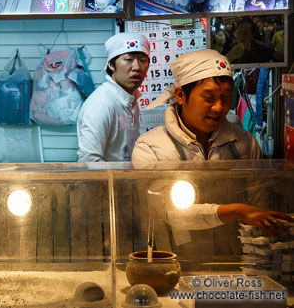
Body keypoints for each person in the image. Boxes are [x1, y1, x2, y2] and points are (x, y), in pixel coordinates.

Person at [132, 49, 293, 238]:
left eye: (225, 98)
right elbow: (169, 212)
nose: (218, 107)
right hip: (176, 258)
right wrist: (236, 211)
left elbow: (259, 206)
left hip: (238, 257)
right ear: (181, 95)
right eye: (208, 98)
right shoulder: (150, 148)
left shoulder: (244, 142)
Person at [77, 33, 150, 162]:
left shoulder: (130, 98)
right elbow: (88, 161)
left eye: (142, 60)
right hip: (108, 181)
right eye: (128, 60)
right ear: (111, 64)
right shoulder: (101, 106)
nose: (137, 67)